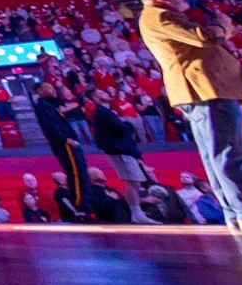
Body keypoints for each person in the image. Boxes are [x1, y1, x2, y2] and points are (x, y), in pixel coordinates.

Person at [136, 0, 242, 231]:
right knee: (230, 154)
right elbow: (204, 37)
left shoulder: (159, 16)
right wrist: (221, 25)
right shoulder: (160, 16)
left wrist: (223, 31)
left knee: (217, 156)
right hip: (206, 91)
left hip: (201, 92)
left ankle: (237, 213)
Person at [90, 89, 154, 223]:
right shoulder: (102, 112)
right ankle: (136, 213)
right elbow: (121, 129)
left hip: (126, 150)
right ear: (95, 99)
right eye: (100, 93)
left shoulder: (109, 112)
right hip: (121, 151)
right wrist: (128, 124)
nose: (105, 93)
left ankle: (137, 212)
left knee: (134, 181)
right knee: (132, 180)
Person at [31, 82, 90, 219]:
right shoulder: (43, 106)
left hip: (69, 142)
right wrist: (65, 139)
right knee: (76, 174)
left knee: (81, 172)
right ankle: (80, 206)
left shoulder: (52, 104)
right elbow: (50, 125)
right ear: (40, 91)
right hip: (64, 143)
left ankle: (85, 205)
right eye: (49, 88)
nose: (53, 90)